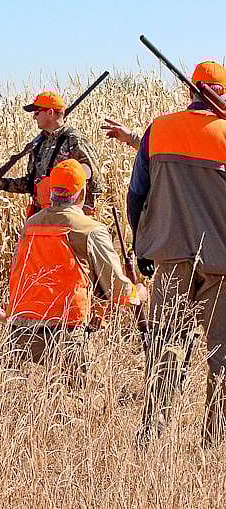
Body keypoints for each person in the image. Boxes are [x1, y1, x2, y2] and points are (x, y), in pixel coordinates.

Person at [127, 61, 226, 446]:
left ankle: (152, 435)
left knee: (165, 345)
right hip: (221, 263)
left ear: (191, 92)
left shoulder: (160, 129)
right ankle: (214, 441)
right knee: (222, 354)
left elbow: (137, 195)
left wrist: (143, 245)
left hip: (169, 256)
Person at [2, 159, 142, 386]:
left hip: (21, 331)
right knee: (78, 398)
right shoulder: (90, 230)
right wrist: (139, 292)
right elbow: (117, 289)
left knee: (24, 400)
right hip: (65, 332)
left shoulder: (30, 226)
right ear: (82, 193)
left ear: (50, 192)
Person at [0, 91, 103, 216]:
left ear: (50, 112)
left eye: (37, 112)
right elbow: (31, 183)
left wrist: (82, 216)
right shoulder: (38, 144)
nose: (34, 117)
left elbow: (94, 181)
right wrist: (2, 183)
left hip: (68, 218)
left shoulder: (74, 140)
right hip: (42, 218)